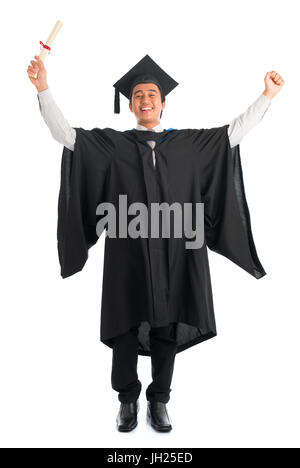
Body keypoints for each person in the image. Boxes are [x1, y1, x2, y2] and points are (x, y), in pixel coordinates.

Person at [27, 54, 284, 433]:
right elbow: (66, 135)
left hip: (176, 252)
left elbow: (233, 133)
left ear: (163, 103)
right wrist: (43, 89)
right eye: (137, 95)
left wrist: (267, 96)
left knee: (166, 327)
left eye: (152, 94)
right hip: (127, 252)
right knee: (124, 327)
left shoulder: (188, 145)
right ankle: (127, 399)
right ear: (130, 105)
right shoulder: (113, 145)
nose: (145, 99)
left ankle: (159, 400)